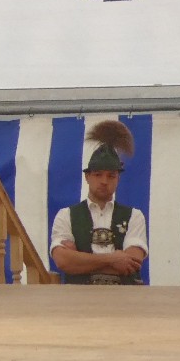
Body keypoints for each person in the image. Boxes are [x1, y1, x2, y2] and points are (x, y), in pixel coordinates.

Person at [50, 121, 148, 285]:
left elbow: (133, 263)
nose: (104, 181)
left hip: (124, 298)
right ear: (87, 177)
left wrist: (81, 260)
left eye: (111, 176)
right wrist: (114, 259)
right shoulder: (66, 215)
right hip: (79, 298)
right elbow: (63, 261)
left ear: (118, 178)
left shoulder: (134, 216)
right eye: (98, 174)